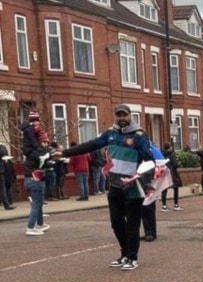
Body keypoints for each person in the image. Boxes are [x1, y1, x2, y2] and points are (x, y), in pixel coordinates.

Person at [58, 104, 154, 271]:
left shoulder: (139, 136)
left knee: (132, 224)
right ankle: (124, 254)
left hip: (132, 185)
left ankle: (132, 257)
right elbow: (90, 145)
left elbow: (149, 160)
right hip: (115, 184)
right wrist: (65, 153)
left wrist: (145, 181)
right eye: (119, 115)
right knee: (116, 222)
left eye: (124, 115)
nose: (122, 118)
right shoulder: (110, 134)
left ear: (130, 116)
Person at [23, 130, 52, 236]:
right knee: (36, 205)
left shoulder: (32, 152)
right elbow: (42, 165)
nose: (46, 144)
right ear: (39, 142)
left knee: (38, 203)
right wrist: (51, 164)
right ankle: (30, 227)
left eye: (47, 142)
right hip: (35, 180)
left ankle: (39, 224)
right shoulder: (40, 152)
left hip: (29, 179)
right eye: (44, 142)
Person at [160, 142, 183, 211]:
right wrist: (178, 164)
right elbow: (175, 164)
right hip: (172, 173)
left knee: (164, 189)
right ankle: (176, 205)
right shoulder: (171, 154)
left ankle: (164, 206)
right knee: (175, 188)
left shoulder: (161, 154)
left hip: (164, 172)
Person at [0, 143, 15, 210]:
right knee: (3, 188)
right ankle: (7, 204)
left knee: (4, 188)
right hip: (1, 171)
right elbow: (3, 152)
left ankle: (7, 203)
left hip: (2, 171)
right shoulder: (2, 148)